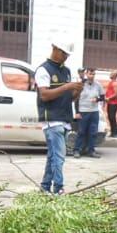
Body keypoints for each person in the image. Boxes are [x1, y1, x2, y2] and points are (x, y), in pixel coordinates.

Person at [35, 41, 82, 194]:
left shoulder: (66, 71)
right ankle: (58, 189)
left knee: (53, 157)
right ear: (54, 49)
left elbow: (69, 98)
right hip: (52, 120)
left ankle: (45, 187)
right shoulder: (43, 70)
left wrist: (77, 90)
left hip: (64, 119)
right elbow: (45, 95)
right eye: (63, 53)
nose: (65, 57)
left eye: (67, 54)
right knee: (59, 157)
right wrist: (67, 86)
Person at [72, 68, 104, 158]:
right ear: (86, 74)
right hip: (83, 112)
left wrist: (97, 99)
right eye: (90, 74)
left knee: (93, 133)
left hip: (94, 112)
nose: (92, 76)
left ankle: (91, 151)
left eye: (93, 74)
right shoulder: (81, 84)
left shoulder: (98, 85)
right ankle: (77, 150)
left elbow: (102, 97)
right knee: (81, 132)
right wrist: (77, 112)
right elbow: (76, 99)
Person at [104, 70, 117, 138]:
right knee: (110, 118)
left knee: (112, 117)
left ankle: (115, 133)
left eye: (112, 73)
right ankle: (112, 133)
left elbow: (116, 94)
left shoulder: (115, 83)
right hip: (110, 103)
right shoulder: (111, 82)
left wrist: (108, 98)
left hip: (113, 103)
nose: (110, 74)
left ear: (115, 75)